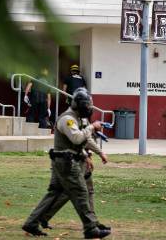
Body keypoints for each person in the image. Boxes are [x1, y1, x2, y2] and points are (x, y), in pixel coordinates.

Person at [22, 88, 111, 239]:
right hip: (66, 163)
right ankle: (90, 229)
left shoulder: (77, 117)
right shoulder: (67, 119)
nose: (89, 109)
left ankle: (31, 223)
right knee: (81, 192)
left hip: (64, 160)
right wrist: (92, 127)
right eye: (87, 105)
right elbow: (77, 138)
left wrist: (87, 154)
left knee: (54, 194)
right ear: (78, 105)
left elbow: (79, 142)